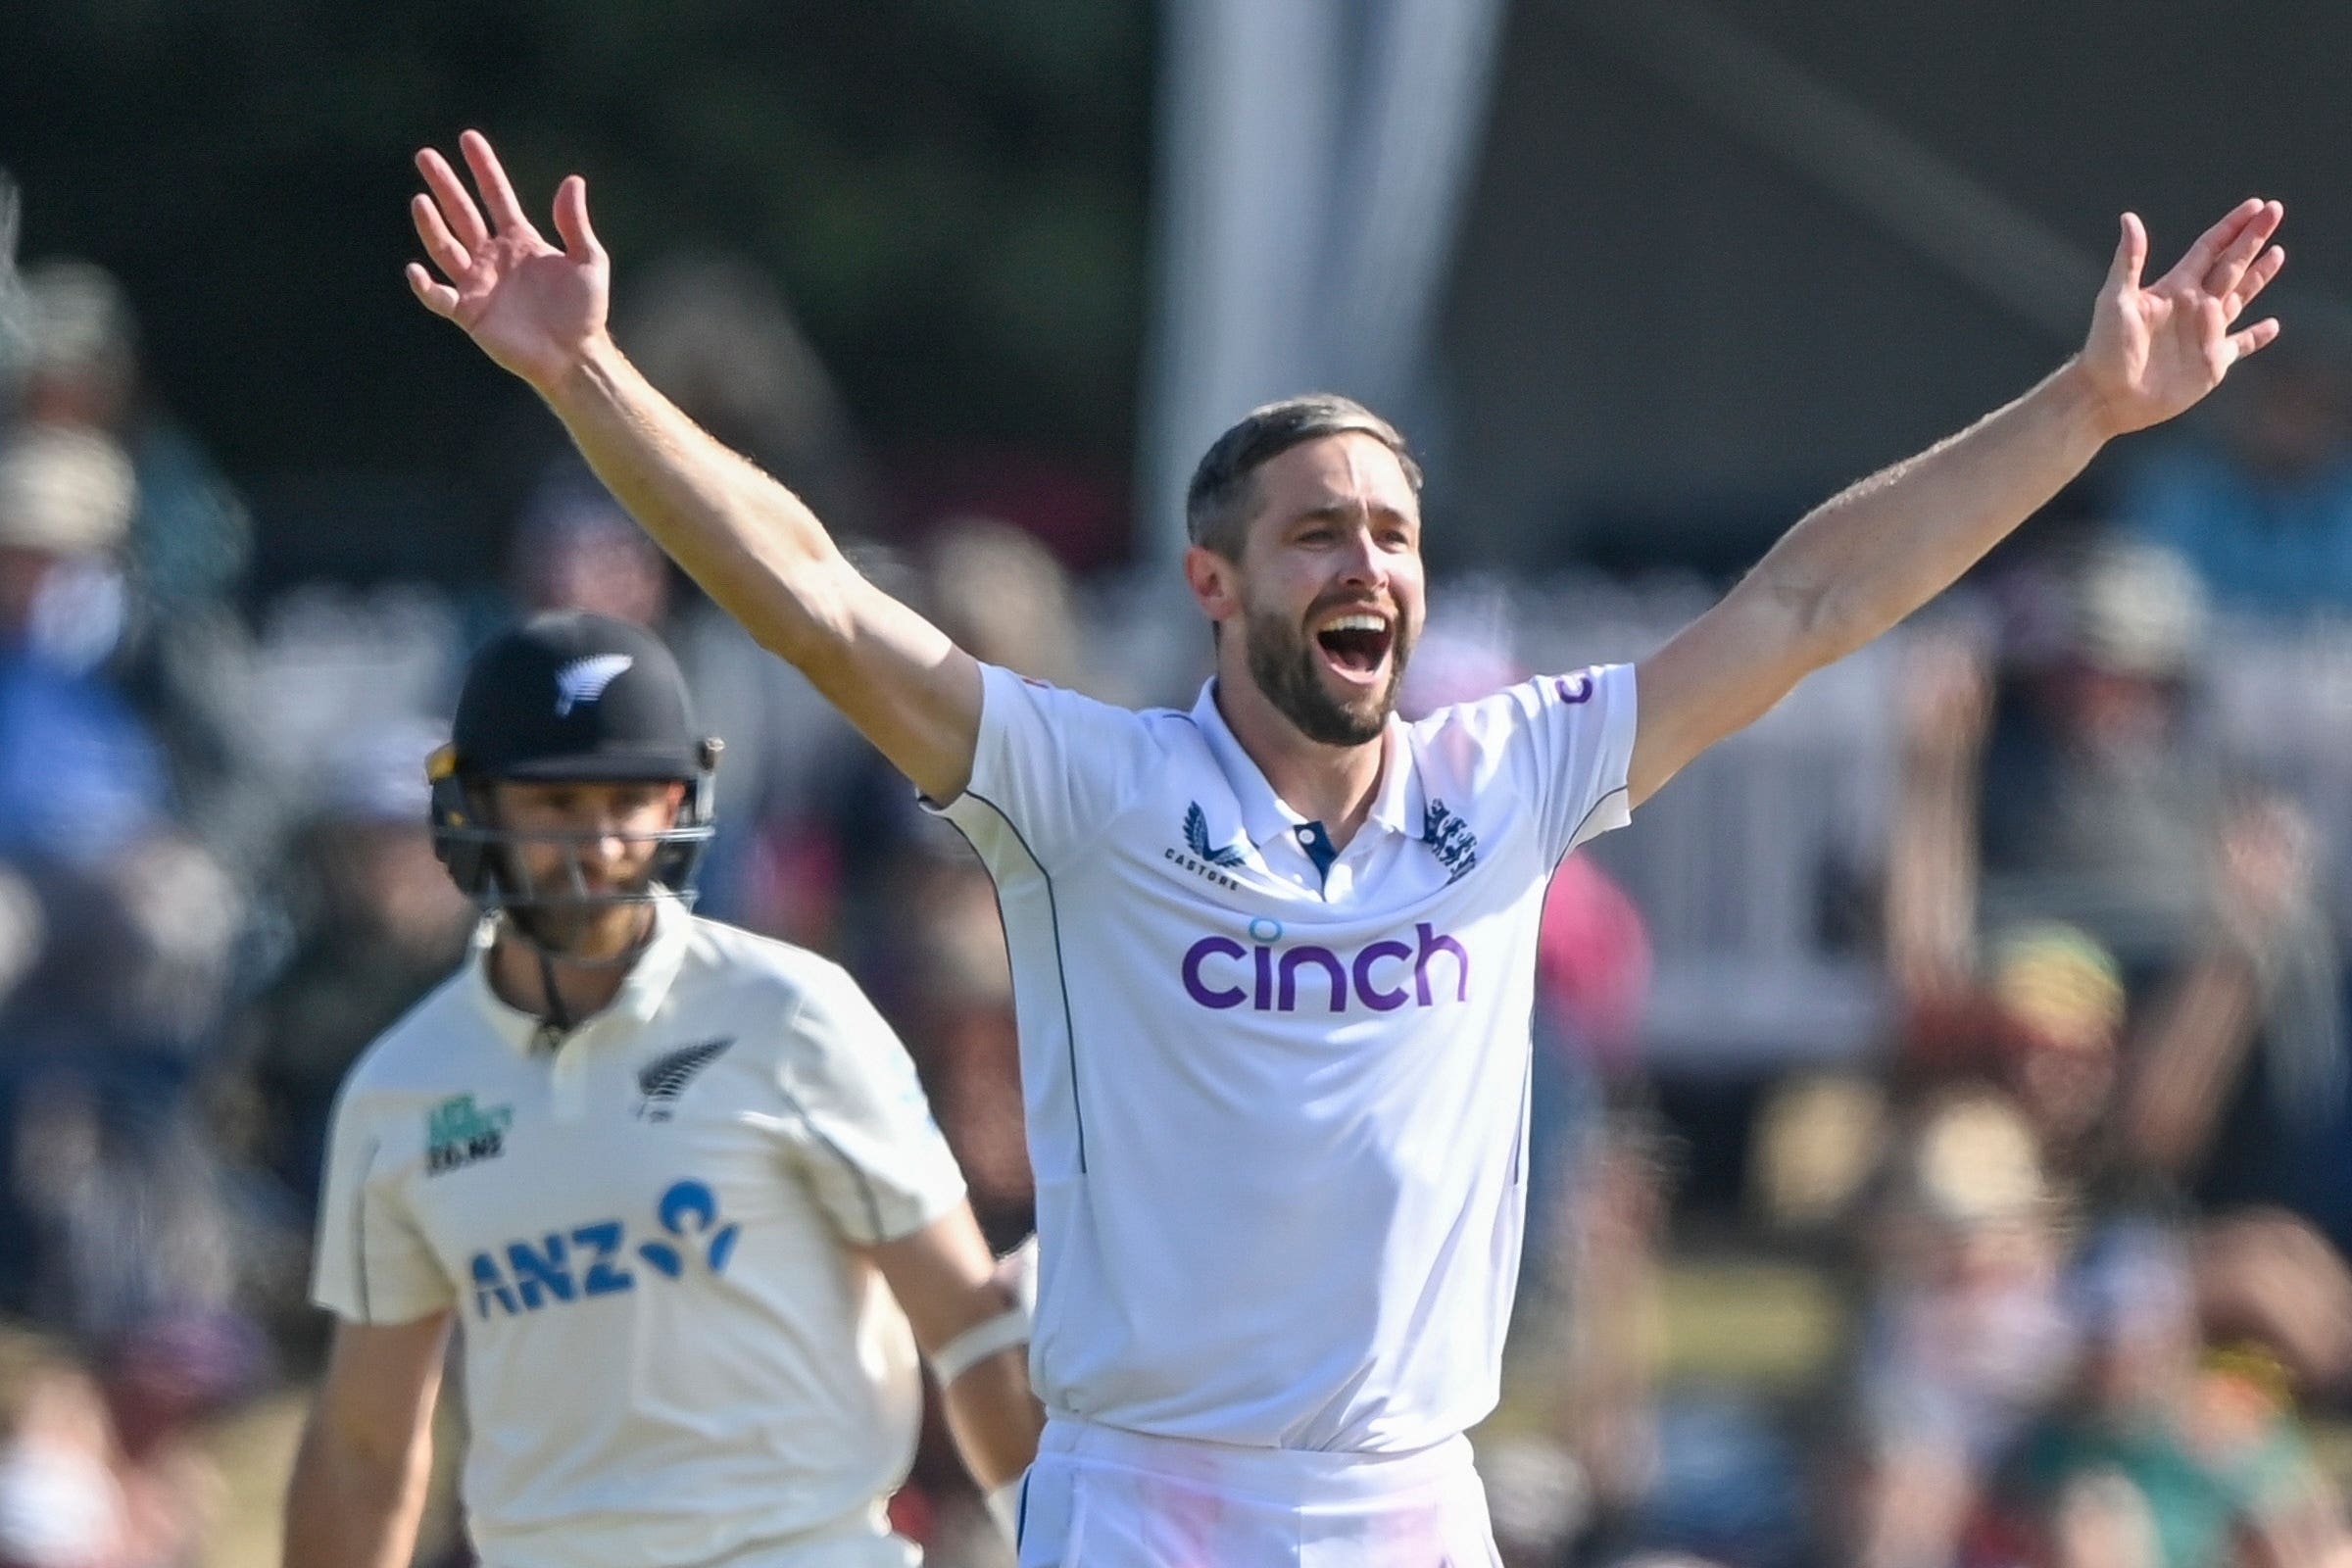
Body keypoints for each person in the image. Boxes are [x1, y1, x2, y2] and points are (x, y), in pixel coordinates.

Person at [401, 129, 2284, 1566]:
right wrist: (587, 377)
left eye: (1390, 528)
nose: (1368, 559)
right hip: (1144, 1498)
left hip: (1405, 1502)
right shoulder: (1092, 792)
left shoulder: (1512, 777)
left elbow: (1805, 603)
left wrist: (2094, 405)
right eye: (1316, 534)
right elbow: (813, 599)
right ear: (1216, 586)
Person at [282, 612, 1040, 1568]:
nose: (594, 845)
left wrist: (1070, 1540)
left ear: (680, 801)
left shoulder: (791, 1014)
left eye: (626, 799)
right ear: (472, 807)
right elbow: (364, 1449)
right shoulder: (404, 1090)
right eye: (554, 805)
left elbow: (968, 1331)